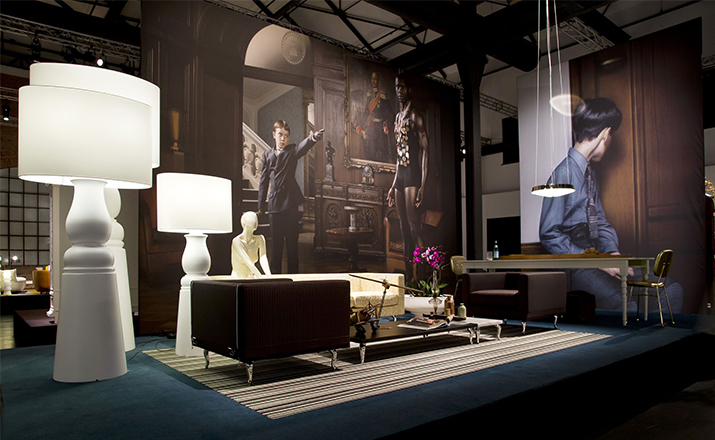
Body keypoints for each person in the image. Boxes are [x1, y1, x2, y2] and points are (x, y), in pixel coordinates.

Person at [539, 97, 682, 311]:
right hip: (575, 265)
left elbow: (601, 222)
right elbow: (549, 234)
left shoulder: (589, 174)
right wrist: (596, 261)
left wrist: (612, 253)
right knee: (625, 304)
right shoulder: (562, 174)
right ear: (606, 133)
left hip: (596, 256)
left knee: (671, 290)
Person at [257, 120, 324, 274]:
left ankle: (294, 280)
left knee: (292, 247)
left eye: (286, 136)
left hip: (290, 206)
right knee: (276, 247)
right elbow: (263, 182)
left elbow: (302, 147)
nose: (283, 139)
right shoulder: (267, 155)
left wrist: (313, 138)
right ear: (274, 134)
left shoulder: (292, 151)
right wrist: (261, 206)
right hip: (274, 206)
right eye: (280, 134)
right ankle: (275, 280)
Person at [387, 74, 428, 279]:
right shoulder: (397, 117)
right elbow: (398, 154)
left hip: (412, 175)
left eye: (402, 86)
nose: (399, 90)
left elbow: (425, 150)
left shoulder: (414, 115)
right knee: (403, 230)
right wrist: (393, 184)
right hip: (400, 176)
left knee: (414, 228)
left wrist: (423, 185)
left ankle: (423, 276)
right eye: (397, 87)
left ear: (408, 89)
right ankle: (409, 280)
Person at [356, 72, 393, 164]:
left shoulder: (383, 96)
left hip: (380, 127)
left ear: (378, 81)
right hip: (372, 127)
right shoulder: (369, 95)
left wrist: (387, 125)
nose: (373, 81)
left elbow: (391, 113)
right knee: (370, 150)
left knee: (380, 153)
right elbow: (366, 112)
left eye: (375, 79)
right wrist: (360, 125)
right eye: (372, 79)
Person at [231, 211, 271, 279]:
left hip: (250, 277)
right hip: (238, 278)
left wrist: (269, 276)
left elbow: (263, 258)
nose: (255, 221)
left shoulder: (260, 239)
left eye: (256, 218)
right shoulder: (237, 241)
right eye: (251, 218)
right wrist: (260, 277)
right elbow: (248, 262)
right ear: (243, 222)